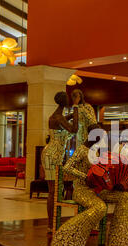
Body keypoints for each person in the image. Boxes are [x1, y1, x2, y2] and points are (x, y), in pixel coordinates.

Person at [51, 124, 128, 246]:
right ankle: (68, 235)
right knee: (100, 207)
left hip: (98, 190)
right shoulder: (81, 150)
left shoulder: (96, 151)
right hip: (82, 190)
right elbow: (67, 167)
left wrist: (113, 183)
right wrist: (84, 176)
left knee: (124, 197)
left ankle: (120, 238)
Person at [41, 92, 78, 236]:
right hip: (52, 155)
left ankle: (54, 222)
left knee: (55, 190)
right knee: (53, 191)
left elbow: (64, 119)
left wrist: (72, 115)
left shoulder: (57, 116)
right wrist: (75, 109)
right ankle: (51, 224)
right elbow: (73, 129)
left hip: (53, 154)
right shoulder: (57, 117)